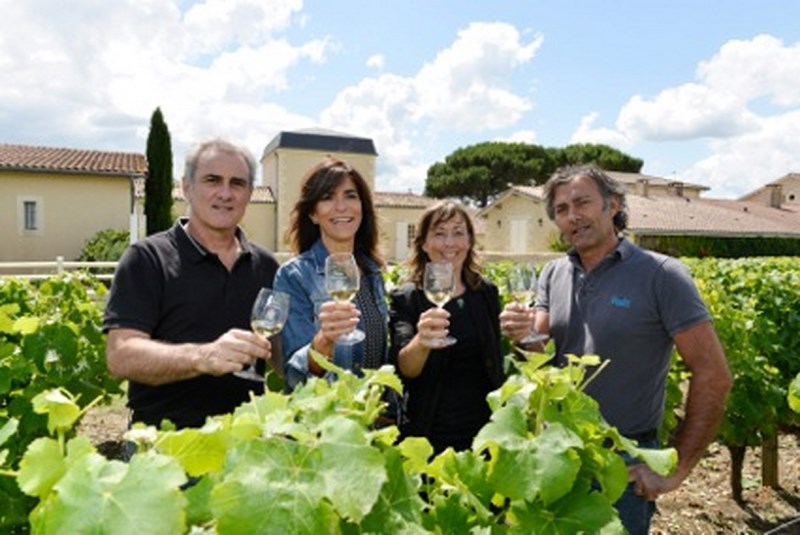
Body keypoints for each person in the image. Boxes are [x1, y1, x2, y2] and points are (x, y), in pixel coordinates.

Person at [532, 164, 732, 534]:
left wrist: (675, 470)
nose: (573, 216)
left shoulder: (663, 275)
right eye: (561, 209)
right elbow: (538, 357)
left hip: (623, 466)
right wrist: (522, 335)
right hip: (556, 456)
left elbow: (714, 374)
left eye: (582, 202)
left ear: (613, 205)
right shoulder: (552, 274)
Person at [104, 138, 280, 430]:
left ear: (249, 193)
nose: (225, 193)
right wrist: (204, 356)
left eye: (237, 183)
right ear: (187, 187)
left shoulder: (266, 265)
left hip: (245, 441)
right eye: (212, 180)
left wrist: (323, 342)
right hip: (165, 443)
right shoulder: (147, 259)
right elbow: (120, 356)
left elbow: (281, 353)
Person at [389, 201, 531, 454]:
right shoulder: (408, 298)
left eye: (458, 232)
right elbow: (406, 368)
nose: (450, 243)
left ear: (469, 240)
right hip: (429, 431)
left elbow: (497, 356)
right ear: (423, 244)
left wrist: (519, 335)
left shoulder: (485, 292)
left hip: (486, 430)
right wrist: (421, 341)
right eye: (439, 233)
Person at [274, 157, 389, 392]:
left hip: (376, 410)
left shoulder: (372, 272)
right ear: (313, 214)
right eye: (327, 197)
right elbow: (295, 375)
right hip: (329, 412)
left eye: (350, 196)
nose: (341, 207)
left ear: (362, 207)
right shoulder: (294, 276)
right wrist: (324, 341)